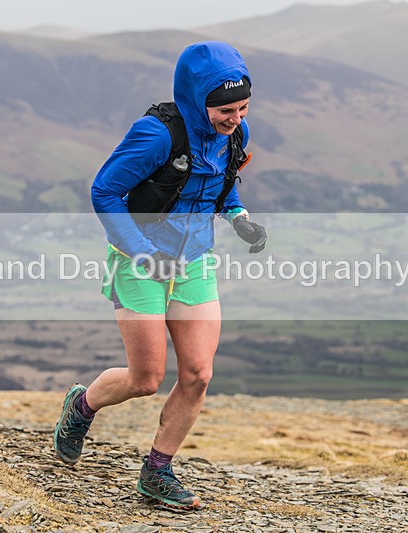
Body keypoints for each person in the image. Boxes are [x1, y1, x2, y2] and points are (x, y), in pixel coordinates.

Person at [53, 41, 267, 509]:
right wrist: (143, 252)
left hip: (194, 263)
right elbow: (104, 191)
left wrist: (239, 217)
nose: (236, 119)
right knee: (146, 377)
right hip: (140, 263)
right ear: (196, 99)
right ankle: (82, 405)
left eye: (244, 108)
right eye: (225, 110)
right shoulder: (156, 135)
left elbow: (223, 186)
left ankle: (156, 472)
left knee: (197, 373)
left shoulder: (236, 133)